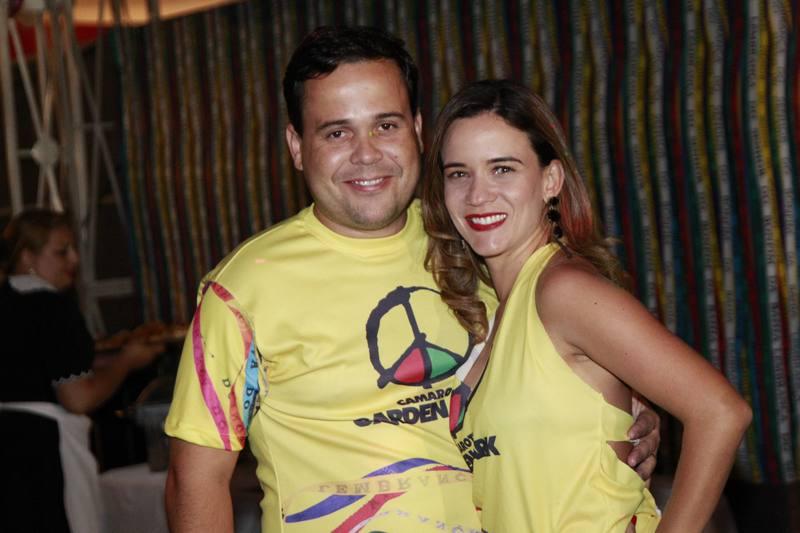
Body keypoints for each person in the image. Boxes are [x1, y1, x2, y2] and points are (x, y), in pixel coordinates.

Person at [164, 26, 661, 533]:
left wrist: (627, 405)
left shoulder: (475, 239)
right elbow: (195, 479)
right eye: (336, 133)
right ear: (296, 146)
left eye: (386, 125)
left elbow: (568, 364)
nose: (366, 154)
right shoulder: (242, 290)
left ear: (418, 130)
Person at [421, 79, 752, 532]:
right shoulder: (500, 310)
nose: (478, 195)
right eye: (459, 173)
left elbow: (720, 411)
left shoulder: (564, 291)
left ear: (551, 180)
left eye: (502, 169)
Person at [0, 208, 163, 533]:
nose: (74, 259)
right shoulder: (52, 306)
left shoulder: (6, 301)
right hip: (47, 449)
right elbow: (78, 399)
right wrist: (126, 362)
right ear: (27, 256)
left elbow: (35, 367)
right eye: (62, 252)